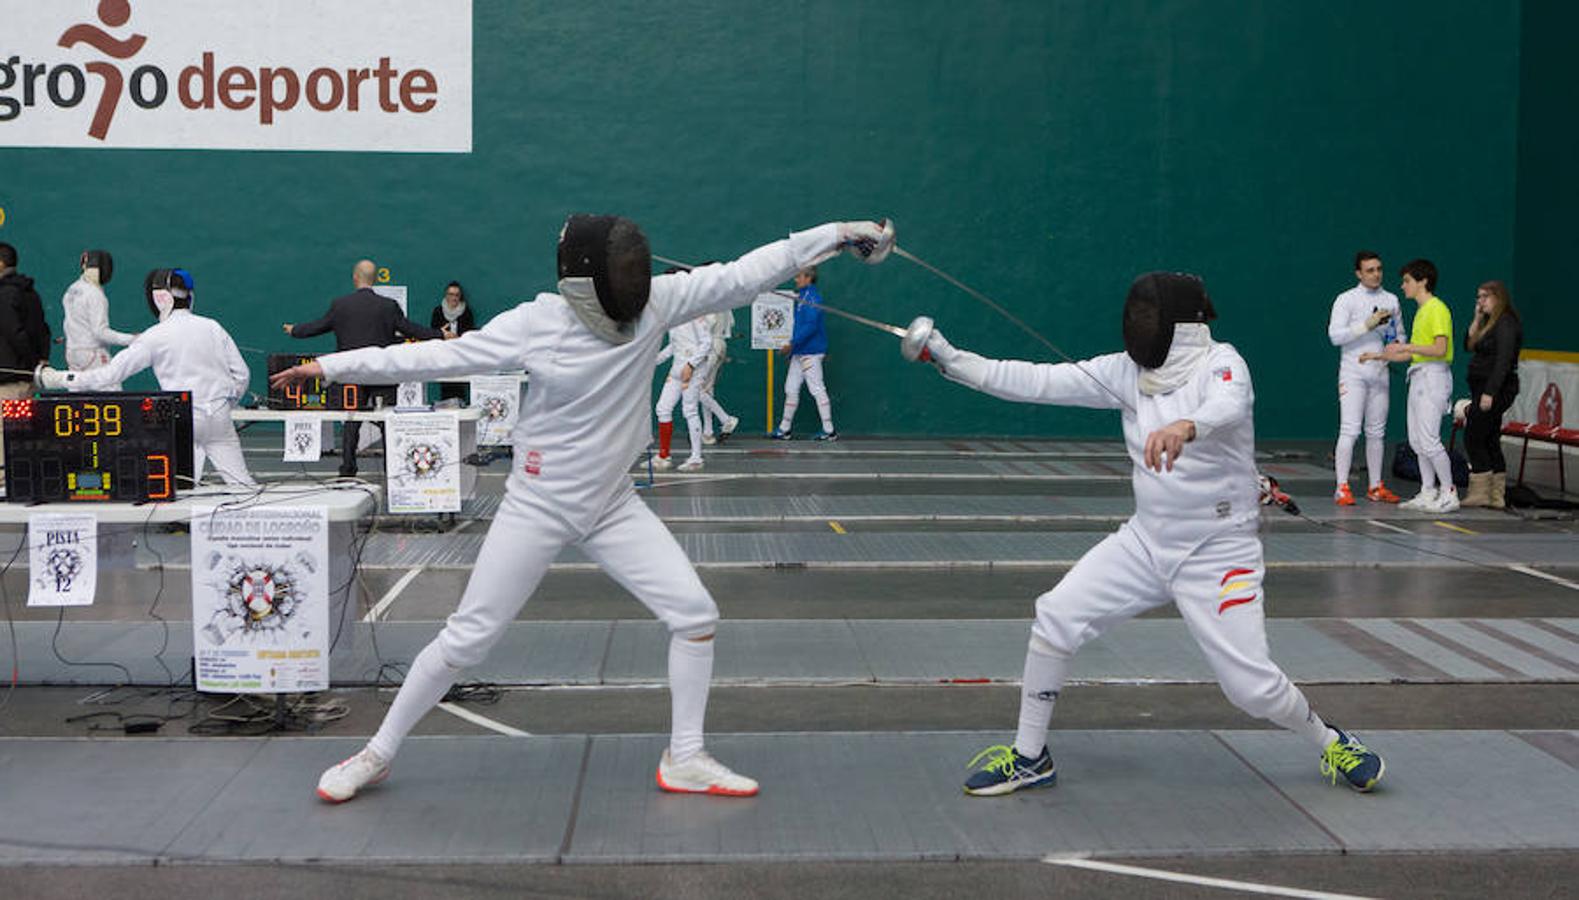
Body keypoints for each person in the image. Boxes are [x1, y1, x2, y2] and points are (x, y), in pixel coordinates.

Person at [272, 214, 894, 803]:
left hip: (611, 503)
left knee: (695, 615)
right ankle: (377, 753)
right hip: (538, 505)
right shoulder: (538, 322)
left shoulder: (659, 301)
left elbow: (750, 271)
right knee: (468, 639)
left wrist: (838, 234)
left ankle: (685, 755)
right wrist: (329, 364)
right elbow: (432, 355)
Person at [901, 272, 1384, 796]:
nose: (1139, 327)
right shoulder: (1126, 372)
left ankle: (1329, 738)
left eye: (1150, 318)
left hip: (1219, 550)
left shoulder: (1221, 363)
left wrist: (1184, 427)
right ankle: (1029, 756)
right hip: (1148, 542)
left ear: (1184, 326)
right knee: (1056, 616)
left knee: (1251, 689)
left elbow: (1227, 408)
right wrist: (949, 356)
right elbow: (1032, 380)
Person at [38, 269, 256, 487]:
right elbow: (242, 374)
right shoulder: (212, 327)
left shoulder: (154, 336)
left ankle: (180, 521)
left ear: (158, 299)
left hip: (183, 420)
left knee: (180, 490)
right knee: (243, 486)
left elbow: (109, 375)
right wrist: (226, 404)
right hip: (219, 417)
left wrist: (59, 379)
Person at [283, 260, 446, 476]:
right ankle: (394, 470)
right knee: (387, 423)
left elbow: (317, 326)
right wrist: (441, 334)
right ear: (375, 279)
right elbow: (411, 329)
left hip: (351, 374)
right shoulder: (388, 306)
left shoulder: (340, 305)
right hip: (382, 375)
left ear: (355, 278)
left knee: (351, 423)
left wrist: (295, 330)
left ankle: (348, 470)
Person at [1361, 259, 1457, 512]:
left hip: (1434, 378)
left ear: (1423, 281)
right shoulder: (1422, 311)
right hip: (1418, 375)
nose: (1403, 286)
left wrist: (1406, 346)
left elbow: (1440, 349)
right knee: (1417, 441)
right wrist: (1379, 356)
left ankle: (1449, 492)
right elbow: (1413, 355)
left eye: (1407, 281)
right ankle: (1427, 491)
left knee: (1430, 439)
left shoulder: (1437, 309)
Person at [1326, 251, 1403, 505]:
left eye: (1379, 269)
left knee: (1376, 432)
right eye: (1370, 270)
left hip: (1380, 373)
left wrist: (1393, 347)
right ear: (1359, 273)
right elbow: (1335, 337)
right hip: (1353, 373)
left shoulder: (1391, 300)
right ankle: (1342, 487)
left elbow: (1399, 335)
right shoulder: (1346, 299)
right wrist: (1367, 325)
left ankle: (1375, 486)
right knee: (1350, 430)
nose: (1376, 274)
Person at [1458, 281, 1522, 509]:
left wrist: (1490, 392)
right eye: (1478, 297)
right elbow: (1468, 344)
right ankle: (1496, 495)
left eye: (1485, 297)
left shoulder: (1506, 323)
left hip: (1495, 389)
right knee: (1490, 438)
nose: (1481, 301)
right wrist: (1476, 318)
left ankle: (1480, 492)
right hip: (1481, 388)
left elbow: (1503, 361)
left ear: (1499, 298)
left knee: (1474, 436)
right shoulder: (1488, 323)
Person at [0, 242, 52, 479]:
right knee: (26, 436)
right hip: (28, 380)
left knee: (5, 436)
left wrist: (30, 363)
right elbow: (43, 330)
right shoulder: (30, 292)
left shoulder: (5, 293)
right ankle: (26, 481)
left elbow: (15, 333)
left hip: (9, 385)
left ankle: (4, 484)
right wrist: (38, 365)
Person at [769, 267, 837, 441]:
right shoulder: (802, 298)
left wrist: (792, 344)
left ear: (808, 278)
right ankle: (784, 429)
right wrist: (793, 351)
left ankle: (829, 430)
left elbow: (810, 327)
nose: (795, 280)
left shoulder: (813, 298)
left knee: (817, 389)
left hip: (811, 353)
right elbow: (801, 327)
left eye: (798, 277)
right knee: (790, 388)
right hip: (800, 353)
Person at [62, 249, 137, 389]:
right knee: (112, 395)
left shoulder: (72, 290)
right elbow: (100, 332)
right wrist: (132, 339)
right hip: (92, 354)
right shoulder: (95, 295)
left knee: (77, 399)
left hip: (72, 353)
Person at [652, 310, 711, 471]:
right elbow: (673, 346)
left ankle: (696, 458)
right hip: (677, 369)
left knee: (690, 410)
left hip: (694, 369)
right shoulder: (673, 315)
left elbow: (707, 343)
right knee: (662, 408)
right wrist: (653, 360)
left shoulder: (695, 312)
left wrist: (691, 365)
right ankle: (664, 456)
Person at [430, 281, 476, 404]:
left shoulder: (466, 312)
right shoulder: (438, 311)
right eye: (450, 294)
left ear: (460, 296)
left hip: (460, 355)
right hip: (443, 355)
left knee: (460, 386)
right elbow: (433, 333)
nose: (453, 298)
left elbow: (469, 334)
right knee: (445, 386)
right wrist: (443, 334)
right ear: (446, 295)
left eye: (456, 295)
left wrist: (457, 338)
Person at [699, 309, 740, 445]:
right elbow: (732, 323)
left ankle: (726, 419)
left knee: (696, 389)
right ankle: (708, 433)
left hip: (710, 346)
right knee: (707, 390)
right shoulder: (725, 302)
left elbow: (710, 322)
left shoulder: (711, 301)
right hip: (720, 345)